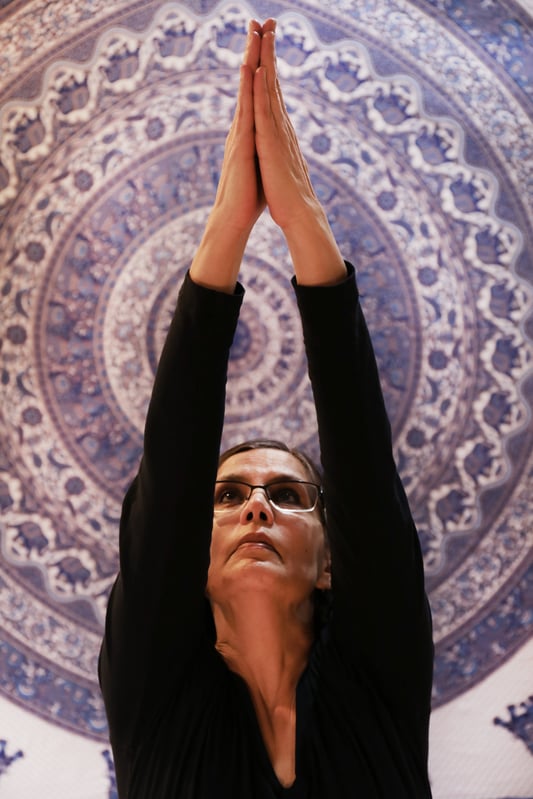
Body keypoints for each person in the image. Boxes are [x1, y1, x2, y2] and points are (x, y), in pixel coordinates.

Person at [99, 18, 434, 798]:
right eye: (229, 496)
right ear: (194, 553)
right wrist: (227, 224)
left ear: (327, 561)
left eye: (286, 495)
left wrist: (303, 223)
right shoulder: (155, 699)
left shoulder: (378, 682)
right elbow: (169, 475)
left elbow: (363, 467)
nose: (255, 506)